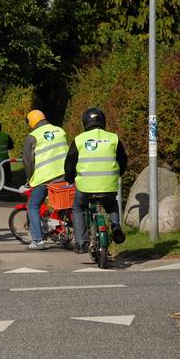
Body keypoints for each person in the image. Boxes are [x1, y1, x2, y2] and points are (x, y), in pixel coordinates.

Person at [64, 107, 127, 254]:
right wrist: (120, 173)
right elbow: (123, 159)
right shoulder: (113, 138)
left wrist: (69, 178)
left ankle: (81, 242)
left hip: (85, 188)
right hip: (108, 185)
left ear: (85, 122)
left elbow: (70, 162)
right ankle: (115, 225)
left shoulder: (79, 140)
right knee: (111, 204)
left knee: (78, 208)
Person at [22, 109, 69, 250]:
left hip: (45, 178)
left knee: (33, 206)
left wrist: (29, 178)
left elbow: (28, 162)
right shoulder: (60, 131)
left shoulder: (32, 136)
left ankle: (38, 241)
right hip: (64, 175)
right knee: (66, 204)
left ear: (31, 122)